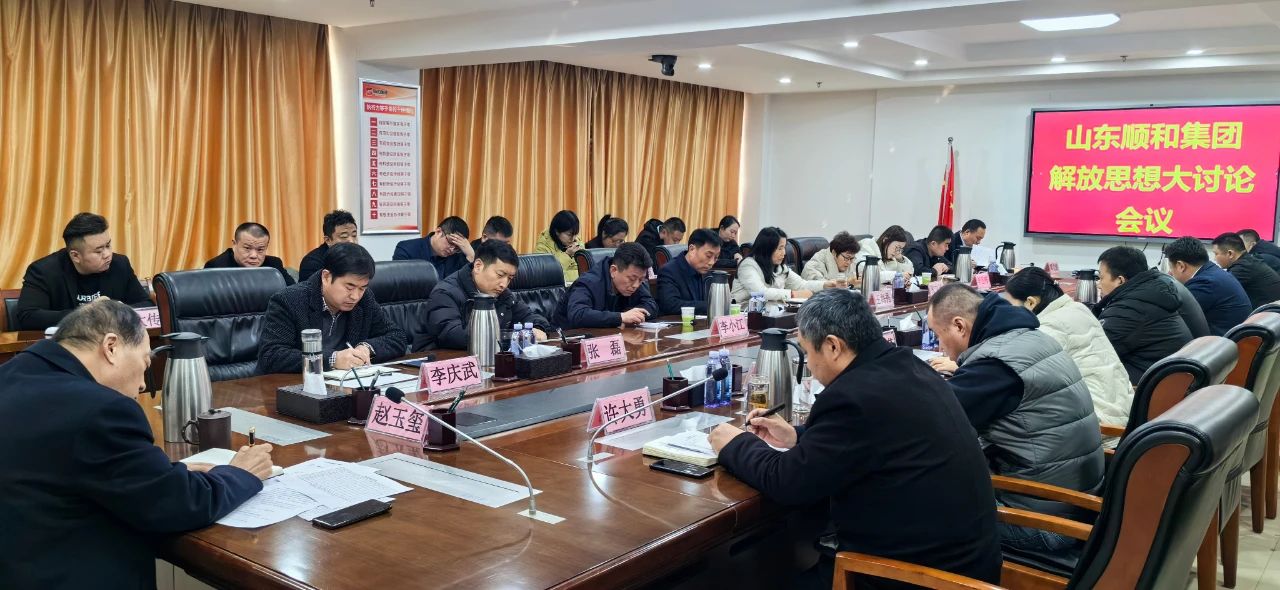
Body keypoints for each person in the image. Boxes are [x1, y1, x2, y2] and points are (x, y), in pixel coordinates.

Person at [708, 289, 1001, 590]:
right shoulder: (908, 367)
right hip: (967, 567)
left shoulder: (853, 397)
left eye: (807, 353)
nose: (809, 365)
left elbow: (788, 482)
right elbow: (871, 438)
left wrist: (734, 443)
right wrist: (797, 436)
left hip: (913, 578)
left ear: (833, 346)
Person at [0, 299, 274, 588]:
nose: (143, 384)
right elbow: (178, 504)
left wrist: (156, 472)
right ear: (111, 347)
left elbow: (65, 465)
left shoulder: (13, 374)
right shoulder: (101, 410)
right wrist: (240, 472)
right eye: (145, 363)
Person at [925, 284, 1103, 555]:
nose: (939, 346)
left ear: (959, 326)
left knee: (911, 508)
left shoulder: (995, 367)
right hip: (1076, 502)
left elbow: (930, 423)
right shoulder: (1031, 338)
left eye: (938, 335)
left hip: (1043, 523)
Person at [1003, 267, 1133, 426]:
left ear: (1030, 302)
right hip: (1124, 408)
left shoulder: (1046, 328)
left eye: (1011, 306)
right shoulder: (1078, 308)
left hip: (1097, 421)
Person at [258, 243, 408, 373]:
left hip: (346, 385)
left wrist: (366, 348)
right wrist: (332, 359)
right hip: (294, 386)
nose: (355, 296)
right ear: (326, 277)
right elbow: (271, 356)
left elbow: (397, 336)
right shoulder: (289, 300)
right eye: (349, 287)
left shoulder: (364, 299)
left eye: (362, 288)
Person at [15, 212, 152, 330]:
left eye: (108, 245)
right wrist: (86, 313)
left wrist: (122, 310)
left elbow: (147, 305)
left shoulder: (119, 265)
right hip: (65, 345)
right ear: (75, 256)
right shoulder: (44, 271)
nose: (107, 254)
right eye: (98, 251)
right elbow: (27, 317)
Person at [417, 241, 555, 351]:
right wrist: (508, 335)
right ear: (478, 266)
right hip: (441, 364)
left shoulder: (503, 294)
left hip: (488, 358)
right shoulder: (445, 293)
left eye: (510, 278)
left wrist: (537, 328)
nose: (504, 284)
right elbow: (452, 336)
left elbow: (530, 316)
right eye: (500, 275)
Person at [1093, 246, 1194, 384]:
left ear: (1120, 280)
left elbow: (1095, 353)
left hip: (1151, 386)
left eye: (1101, 278)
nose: (1098, 284)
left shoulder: (1130, 309)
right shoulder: (1150, 292)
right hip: (1168, 378)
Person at [553, 242, 658, 329]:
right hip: (566, 340)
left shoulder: (636, 279)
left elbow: (651, 305)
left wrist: (631, 315)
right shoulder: (588, 282)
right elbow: (578, 314)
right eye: (631, 279)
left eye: (641, 279)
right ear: (613, 270)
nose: (636, 285)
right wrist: (620, 317)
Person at [1164, 236, 1250, 336]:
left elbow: (1172, 316)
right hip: (1230, 338)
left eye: (1171, 268)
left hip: (1221, 341)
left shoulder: (1204, 283)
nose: (1170, 273)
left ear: (1181, 266)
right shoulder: (1212, 272)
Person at [731, 227, 838, 303]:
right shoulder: (748, 265)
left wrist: (825, 285)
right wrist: (792, 294)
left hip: (769, 313)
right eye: (780, 248)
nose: (784, 253)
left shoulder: (779, 267)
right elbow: (760, 292)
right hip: (743, 314)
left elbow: (801, 285)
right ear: (767, 248)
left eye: (784, 248)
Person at [203, 222, 295, 286]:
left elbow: (292, 292)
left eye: (260, 249)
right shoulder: (216, 267)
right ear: (234, 244)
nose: (253, 256)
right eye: (247, 248)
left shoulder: (274, 265)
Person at [656, 228, 722, 316]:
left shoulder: (707, 273)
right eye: (708, 256)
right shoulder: (669, 271)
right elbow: (671, 305)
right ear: (692, 249)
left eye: (716, 258)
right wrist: (709, 306)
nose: (711, 262)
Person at [1213, 232, 1280, 311]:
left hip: (1267, 313)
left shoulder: (1242, 268)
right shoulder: (1248, 261)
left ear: (1230, 254)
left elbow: (1218, 292)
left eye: (1216, 254)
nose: (1214, 259)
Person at [392, 216, 474, 280]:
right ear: (438, 232)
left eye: (457, 248)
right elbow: (401, 284)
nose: (452, 250)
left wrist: (471, 255)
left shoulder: (458, 256)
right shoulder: (407, 249)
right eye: (450, 243)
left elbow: (468, 285)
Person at [298, 209, 359, 282]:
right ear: (328, 240)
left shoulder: (359, 257)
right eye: (344, 236)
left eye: (354, 235)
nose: (352, 241)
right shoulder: (312, 262)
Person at [534, 210, 583, 282]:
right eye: (569, 235)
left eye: (575, 234)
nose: (573, 239)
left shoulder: (577, 241)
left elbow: (586, 270)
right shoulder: (543, 246)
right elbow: (545, 272)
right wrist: (567, 255)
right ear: (557, 231)